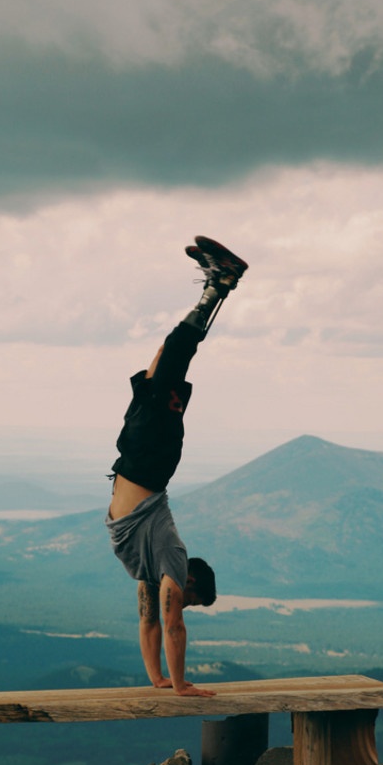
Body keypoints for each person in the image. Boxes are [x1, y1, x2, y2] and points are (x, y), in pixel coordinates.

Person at [105, 235, 248, 697]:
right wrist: (182, 684)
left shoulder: (149, 569)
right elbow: (171, 622)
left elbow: (149, 619)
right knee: (173, 356)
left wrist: (159, 680)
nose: (183, 605)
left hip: (141, 458)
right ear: (189, 580)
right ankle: (220, 284)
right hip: (149, 460)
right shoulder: (173, 557)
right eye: (191, 599)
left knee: (158, 370)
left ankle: (216, 285)